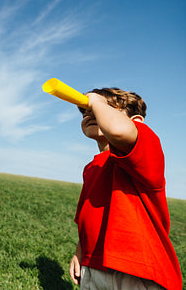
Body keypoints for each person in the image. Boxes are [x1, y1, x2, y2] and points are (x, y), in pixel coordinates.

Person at [69, 88, 182, 290]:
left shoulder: (145, 145)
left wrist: (96, 101)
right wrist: (80, 252)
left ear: (136, 121)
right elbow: (86, 219)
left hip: (138, 270)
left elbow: (119, 131)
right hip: (94, 264)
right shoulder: (91, 167)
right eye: (85, 111)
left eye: (105, 108)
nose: (91, 112)